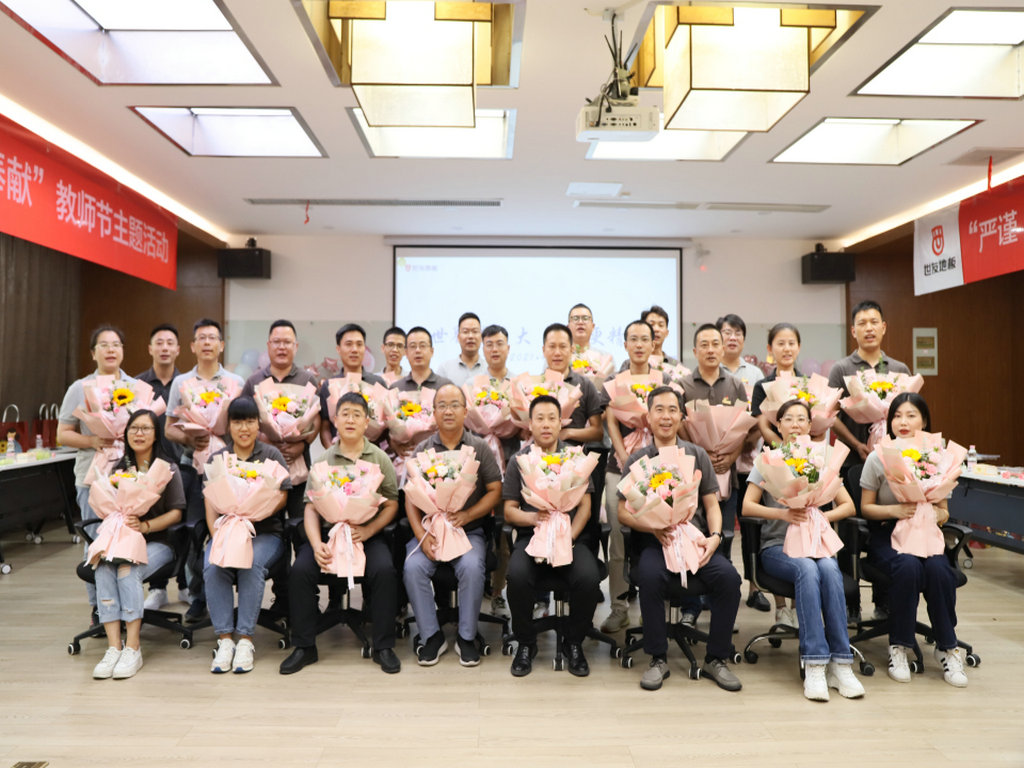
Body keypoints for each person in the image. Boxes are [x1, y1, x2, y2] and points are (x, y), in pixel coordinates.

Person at [618, 386, 742, 692]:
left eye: (672, 410)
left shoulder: (696, 454)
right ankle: (657, 658)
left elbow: (712, 504)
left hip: (693, 540)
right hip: (655, 542)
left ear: (682, 416)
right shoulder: (638, 459)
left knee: (729, 579)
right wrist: (651, 527)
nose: (666, 416)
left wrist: (715, 537)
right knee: (649, 576)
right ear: (648, 417)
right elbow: (622, 512)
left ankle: (716, 658)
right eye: (659, 410)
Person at [742, 399, 865, 702]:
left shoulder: (821, 460)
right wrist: (783, 514)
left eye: (801, 419)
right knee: (807, 568)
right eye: (788, 419)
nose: (795, 424)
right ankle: (815, 663)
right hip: (777, 547)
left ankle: (841, 663)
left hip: (815, 544)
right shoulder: (768, 460)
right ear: (778, 425)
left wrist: (822, 516)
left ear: (811, 426)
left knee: (830, 567)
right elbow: (747, 506)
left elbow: (848, 505)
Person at [280, 392, 402, 675]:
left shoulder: (379, 458)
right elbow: (311, 508)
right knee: (300, 571)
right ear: (334, 420)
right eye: (345, 413)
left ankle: (383, 646)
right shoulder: (323, 460)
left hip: (365, 534)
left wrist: (369, 530)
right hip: (329, 534)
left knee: (384, 571)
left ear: (367, 422)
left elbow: (392, 504)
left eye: (357, 415)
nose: (350, 420)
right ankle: (304, 646)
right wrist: (315, 544)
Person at [859, 393, 968, 688]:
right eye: (897, 416)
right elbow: (865, 507)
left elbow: (944, 511)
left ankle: (947, 647)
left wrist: (936, 514)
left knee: (939, 570)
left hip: (926, 532)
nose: (903, 422)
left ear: (925, 420)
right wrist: (895, 510)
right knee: (907, 567)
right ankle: (900, 645)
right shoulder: (879, 456)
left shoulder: (937, 458)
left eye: (911, 415)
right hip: (888, 532)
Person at [403, 383, 502, 667]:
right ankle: (431, 636)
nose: (448, 411)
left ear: (465, 411)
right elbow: (410, 498)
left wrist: (468, 515)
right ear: (433, 412)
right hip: (430, 531)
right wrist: (421, 533)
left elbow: (495, 490)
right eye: (442, 406)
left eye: (454, 405)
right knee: (413, 567)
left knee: (471, 566)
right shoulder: (422, 449)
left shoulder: (479, 447)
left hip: (468, 531)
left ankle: (467, 637)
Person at [503, 395, 600, 677]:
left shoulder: (576, 458)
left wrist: (568, 538)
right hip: (532, 538)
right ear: (530, 424)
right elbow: (509, 511)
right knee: (516, 576)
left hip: (570, 537)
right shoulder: (519, 461)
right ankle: (526, 643)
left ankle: (574, 642)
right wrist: (532, 518)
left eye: (551, 418)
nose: (546, 424)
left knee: (588, 578)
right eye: (540, 419)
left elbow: (585, 508)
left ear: (561, 424)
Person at [91, 409, 185, 679]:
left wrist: (145, 526)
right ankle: (114, 647)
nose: (139, 433)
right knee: (103, 568)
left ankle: (133, 648)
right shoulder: (118, 469)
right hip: (120, 539)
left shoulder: (167, 469)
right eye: (133, 428)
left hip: (158, 543)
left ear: (156, 435)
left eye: (145, 428)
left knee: (127, 568)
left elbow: (177, 513)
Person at [163, 319, 245, 621]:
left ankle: (235, 594)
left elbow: (246, 424)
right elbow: (169, 428)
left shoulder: (236, 382)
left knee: (230, 526)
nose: (207, 343)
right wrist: (190, 438)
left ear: (221, 345)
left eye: (212, 338)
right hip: (192, 467)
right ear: (193, 346)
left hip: (228, 467)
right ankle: (197, 596)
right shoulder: (181, 383)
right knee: (194, 530)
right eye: (202, 338)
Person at [203, 396, 291, 674]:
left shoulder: (271, 455)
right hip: (226, 531)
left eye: (250, 421)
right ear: (228, 426)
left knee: (251, 564)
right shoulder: (218, 459)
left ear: (258, 425)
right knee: (213, 565)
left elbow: (282, 496)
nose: (244, 428)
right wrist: (217, 537)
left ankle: (245, 640)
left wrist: (257, 512)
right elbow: (210, 503)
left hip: (265, 533)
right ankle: (225, 639)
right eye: (238, 422)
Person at [678, 324, 754, 618]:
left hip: (726, 472)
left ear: (723, 349)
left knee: (724, 535)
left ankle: (719, 603)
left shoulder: (735, 385)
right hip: (691, 476)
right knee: (691, 534)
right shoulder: (683, 386)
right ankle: (691, 605)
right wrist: (702, 455)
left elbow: (743, 430)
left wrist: (730, 455)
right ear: (694, 351)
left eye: (715, 344)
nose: (710, 350)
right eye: (704, 345)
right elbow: (679, 427)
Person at [58, 324, 133, 615]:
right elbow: (63, 434)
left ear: (123, 351)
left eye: (116, 344)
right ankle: (99, 608)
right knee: (95, 540)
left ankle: (127, 606)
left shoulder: (134, 387)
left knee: (126, 541)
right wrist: (92, 440)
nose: (111, 350)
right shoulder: (79, 388)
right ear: (93, 353)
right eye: (104, 345)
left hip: (128, 477)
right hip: (91, 476)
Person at [600, 319, 668, 633]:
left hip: (660, 468)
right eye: (633, 339)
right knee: (618, 538)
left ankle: (656, 606)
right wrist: (624, 456)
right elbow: (611, 419)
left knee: (659, 534)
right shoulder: (614, 380)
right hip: (619, 466)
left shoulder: (664, 379)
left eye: (645, 339)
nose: (639, 345)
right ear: (625, 344)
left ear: (653, 344)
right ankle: (618, 608)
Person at [747, 322, 804, 620]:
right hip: (773, 458)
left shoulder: (809, 384)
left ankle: (798, 607)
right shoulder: (762, 385)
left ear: (799, 347)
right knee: (778, 525)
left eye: (791, 342)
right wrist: (782, 448)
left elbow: (815, 422)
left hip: (806, 460)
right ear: (770, 349)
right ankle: (782, 608)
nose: (786, 348)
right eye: (780, 343)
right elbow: (760, 422)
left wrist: (801, 451)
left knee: (801, 523)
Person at [241, 319, 320, 521]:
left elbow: (316, 419)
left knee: (299, 521)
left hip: (298, 463)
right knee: (267, 520)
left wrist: (303, 445)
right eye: (276, 342)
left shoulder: (307, 379)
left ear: (296, 346)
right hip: (263, 464)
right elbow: (244, 419)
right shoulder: (254, 381)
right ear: (268, 345)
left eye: (287, 342)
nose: (282, 347)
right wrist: (264, 441)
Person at [828, 301, 911, 468]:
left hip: (893, 459)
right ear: (853, 331)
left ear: (883, 327)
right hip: (850, 460)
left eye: (874, 322)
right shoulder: (841, 369)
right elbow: (830, 415)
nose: (869, 328)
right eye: (862, 323)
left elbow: (910, 413)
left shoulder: (900, 369)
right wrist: (856, 444)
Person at [480, 323, 518, 617]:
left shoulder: (519, 386)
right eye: (489, 344)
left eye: (500, 343)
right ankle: (477, 585)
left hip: (511, 466)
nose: (495, 349)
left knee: (504, 536)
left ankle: (497, 592)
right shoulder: (474, 385)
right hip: (479, 468)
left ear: (508, 347)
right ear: (483, 349)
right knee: (479, 531)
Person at [388, 326, 453, 460]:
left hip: (440, 457)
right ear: (406, 352)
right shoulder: (395, 388)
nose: (417, 350)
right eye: (413, 346)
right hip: (406, 458)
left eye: (422, 346)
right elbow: (386, 428)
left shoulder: (446, 386)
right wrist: (394, 444)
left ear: (432, 351)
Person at [319, 323, 385, 448]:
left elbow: (386, 426)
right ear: (338, 349)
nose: (354, 349)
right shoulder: (329, 385)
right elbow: (325, 426)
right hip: (339, 452)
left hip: (371, 453)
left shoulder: (378, 383)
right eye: (348, 344)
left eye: (359, 344)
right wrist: (332, 452)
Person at [134, 323, 183, 464]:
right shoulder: (138, 384)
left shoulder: (186, 385)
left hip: (180, 463)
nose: (165, 348)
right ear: (150, 349)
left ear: (178, 350)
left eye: (170, 343)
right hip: (144, 462)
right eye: (159, 343)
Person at [717, 314, 764, 391]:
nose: (733, 338)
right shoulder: (710, 371)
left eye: (738, 334)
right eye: (727, 333)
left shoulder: (756, 374)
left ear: (743, 340)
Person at [437, 312, 485, 386]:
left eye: (475, 331)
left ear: (481, 337)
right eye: (465, 332)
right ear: (458, 337)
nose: (470, 336)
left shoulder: (489, 368)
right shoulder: (445, 369)